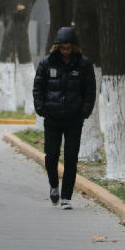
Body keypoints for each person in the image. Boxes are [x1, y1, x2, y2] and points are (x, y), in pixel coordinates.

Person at [32, 26, 95, 210]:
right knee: (51, 156)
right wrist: (41, 109)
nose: (66, 51)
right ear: (57, 47)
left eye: (68, 48)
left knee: (71, 158)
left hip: (74, 120)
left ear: (74, 47)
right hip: (52, 118)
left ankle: (66, 197)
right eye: (62, 48)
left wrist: (84, 111)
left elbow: (90, 91)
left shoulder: (83, 64)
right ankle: (54, 185)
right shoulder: (47, 63)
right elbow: (38, 87)